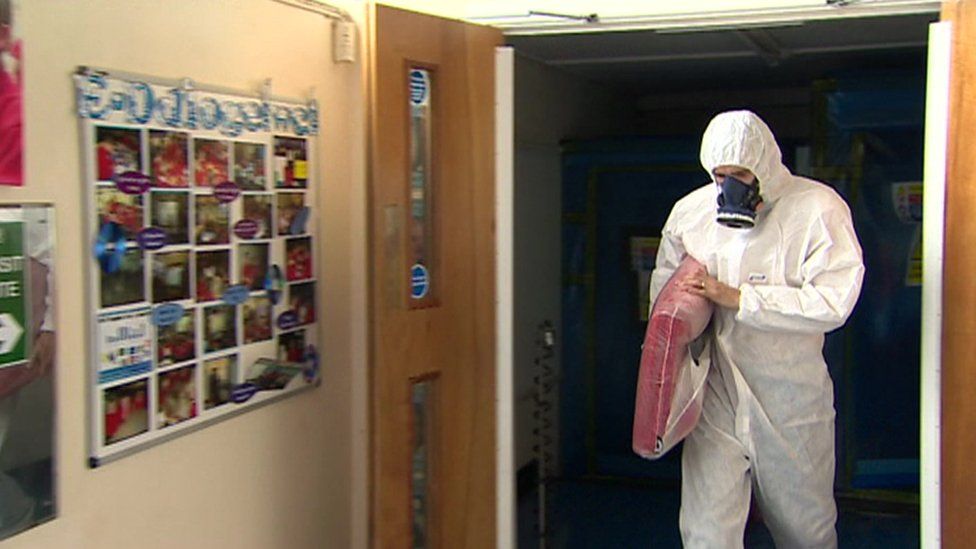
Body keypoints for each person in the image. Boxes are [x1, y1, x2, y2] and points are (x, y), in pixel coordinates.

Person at [647, 110, 864, 548]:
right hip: (716, 392)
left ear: (764, 164)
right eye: (719, 174)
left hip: (790, 399)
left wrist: (741, 298)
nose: (730, 186)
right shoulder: (691, 213)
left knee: (804, 527)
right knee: (707, 528)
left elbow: (834, 300)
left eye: (741, 173)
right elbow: (663, 297)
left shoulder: (817, 209)